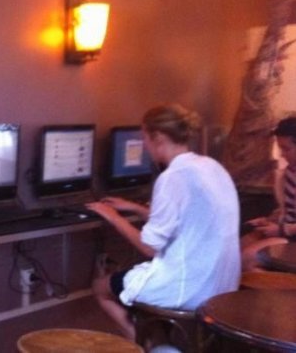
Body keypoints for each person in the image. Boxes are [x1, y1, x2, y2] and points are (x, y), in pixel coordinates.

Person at [86, 104, 240, 340]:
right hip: (222, 283)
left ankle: (145, 345)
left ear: (157, 137)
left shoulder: (172, 177)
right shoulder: (211, 166)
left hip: (189, 287)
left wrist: (112, 216)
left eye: (145, 138)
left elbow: (149, 247)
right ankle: (158, 340)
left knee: (101, 288)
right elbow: (188, 220)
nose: (145, 146)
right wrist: (136, 208)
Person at [241, 116, 296, 271]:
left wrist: (281, 230)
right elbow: (287, 209)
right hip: (285, 231)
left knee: (249, 257)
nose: (282, 154)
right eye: (280, 148)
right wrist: (269, 220)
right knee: (240, 243)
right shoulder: (287, 174)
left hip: (291, 236)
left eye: (286, 149)